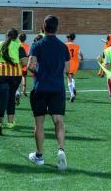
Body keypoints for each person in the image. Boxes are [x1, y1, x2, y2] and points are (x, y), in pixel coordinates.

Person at [27, 15, 70, 170]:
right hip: (57, 88)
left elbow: (30, 66)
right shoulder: (63, 47)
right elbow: (67, 69)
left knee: (39, 123)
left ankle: (39, 155)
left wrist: (37, 69)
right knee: (58, 120)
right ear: (56, 28)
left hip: (40, 87)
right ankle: (61, 149)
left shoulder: (37, 45)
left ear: (43, 27)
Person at [0, 28, 27, 135]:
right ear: (16, 37)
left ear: (6, 35)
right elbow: (24, 62)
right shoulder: (18, 46)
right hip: (15, 74)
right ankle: (10, 122)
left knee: (0, 98)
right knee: (11, 96)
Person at [65, 33, 83, 102]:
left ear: (69, 38)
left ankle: (72, 93)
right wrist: (82, 58)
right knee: (71, 76)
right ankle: (73, 87)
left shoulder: (65, 45)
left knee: (68, 77)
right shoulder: (77, 46)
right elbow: (80, 54)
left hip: (68, 63)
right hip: (75, 63)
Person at [16, 33, 31, 105]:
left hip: (18, 64)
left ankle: (18, 91)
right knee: (24, 77)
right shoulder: (27, 46)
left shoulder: (17, 45)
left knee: (18, 77)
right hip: (25, 63)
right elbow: (28, 55)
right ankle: (24, 91)